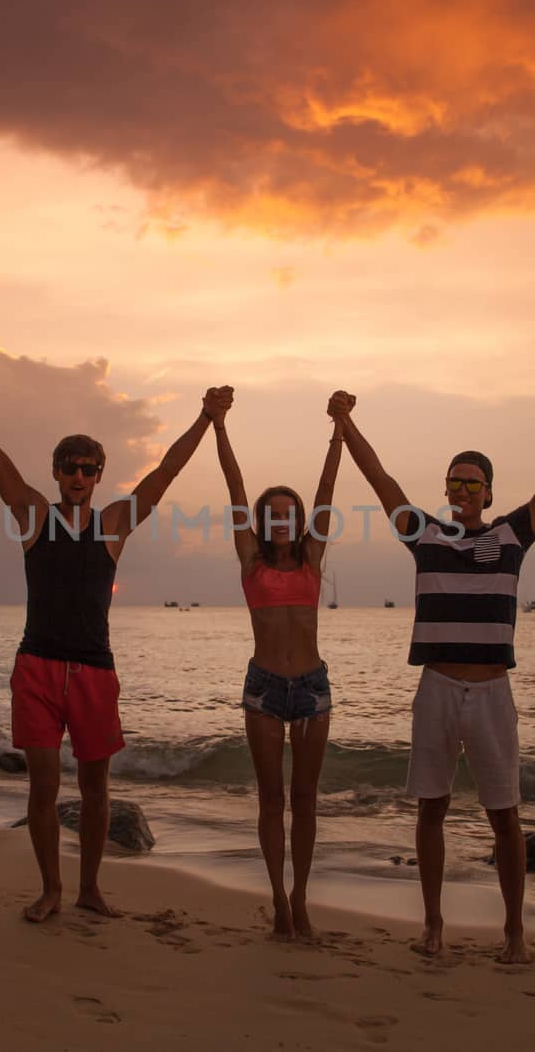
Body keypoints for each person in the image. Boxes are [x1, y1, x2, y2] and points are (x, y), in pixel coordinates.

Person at [328, 386, 535, 960]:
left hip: (491, 691)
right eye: (455, 482)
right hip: (437, 687)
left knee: (504, 813)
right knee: (431, 808)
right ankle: (433, 926)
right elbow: (379, 477)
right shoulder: (425, 534)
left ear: (489, 491)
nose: (463, 491)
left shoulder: (513, 533)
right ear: (445, 490)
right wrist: (345, 422)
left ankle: (514, 931)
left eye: (474, 483)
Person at [0, 358, 219, 922]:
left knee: (95, 789)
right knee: (42, 787)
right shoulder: (34, 516)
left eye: (88, 468)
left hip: (93, 670)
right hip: (37, 666)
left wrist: (206, 418)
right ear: (57, 470)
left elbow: (165, 472)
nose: (78, 476)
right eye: (69, 467)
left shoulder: (113, 523)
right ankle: (50, 890)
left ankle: (89, 887)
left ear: (98, 473)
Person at [208, 386, 343, 939]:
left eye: (291, 515)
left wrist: (339, 430)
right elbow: (235, 488)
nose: (283, 522)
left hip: (311, 687)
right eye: (274, 515)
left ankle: (303, 897)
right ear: (263, 522)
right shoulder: (250, 560)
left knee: (306, 800)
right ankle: (277, 901)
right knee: (271, 799)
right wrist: (218, 425)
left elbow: (328, 488)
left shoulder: (312, 559)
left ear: (300, 521)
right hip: (264, 689)